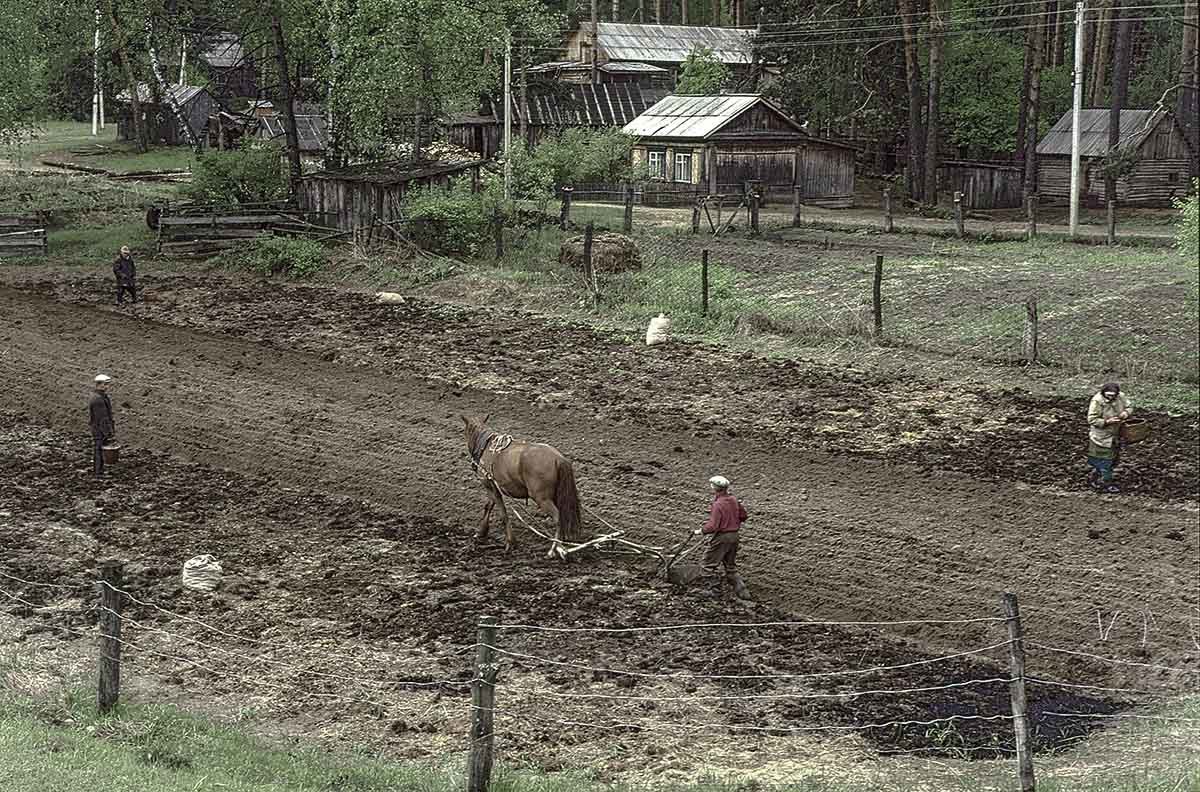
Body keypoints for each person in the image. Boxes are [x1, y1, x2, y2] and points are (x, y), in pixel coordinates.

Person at [693, 475, 748, 595]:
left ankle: (713, 592)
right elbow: (743, 516)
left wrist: (701, 531)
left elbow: (713, 526)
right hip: (734, 536)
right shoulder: (733, 500)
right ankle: (742, 591)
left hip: (722, 538)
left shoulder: (717, 504)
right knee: (730, 567)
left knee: (707, 565)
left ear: (714, 488)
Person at [1087, 382, 1131, 493]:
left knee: (1113, 459)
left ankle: (1095, 477)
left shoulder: (1121, 396)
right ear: (1103, 393)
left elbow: (1129, 406)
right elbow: (1091, 419)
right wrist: (1106, 421)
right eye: (1108, 395)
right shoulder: (1097, 401)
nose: (1111, 397)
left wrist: (1125, 413)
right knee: (1105, 460)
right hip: (1102, 436)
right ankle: (1107, 483)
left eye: (1113, 395)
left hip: (1116, 434)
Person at [89, 374, 116, 477]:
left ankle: (99, 470)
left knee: (99, 449)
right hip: (99, 429)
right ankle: (98, 472)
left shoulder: (100, 396)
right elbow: (102, 419)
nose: (107, 386)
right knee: (99, 450)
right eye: (105, 384)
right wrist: (108, 433)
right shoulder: (98, 400)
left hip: (98, 428)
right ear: (99, 384)